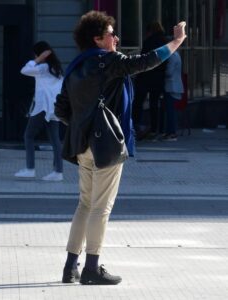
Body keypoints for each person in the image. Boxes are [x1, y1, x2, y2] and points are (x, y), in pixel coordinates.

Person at [55, 11, 186, 285]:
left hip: (83, 145)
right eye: (111, 33)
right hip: (106, 145)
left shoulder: (75, 66)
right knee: (101, 207)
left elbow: (62, 110)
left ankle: (70, 267)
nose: (116, 38)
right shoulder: (106, 62)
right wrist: (175, 42)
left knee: (85, 204)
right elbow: (145, 62)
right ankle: (91, 266)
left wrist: (85, 125)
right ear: (98, 39)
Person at [14, 41, 64, 181]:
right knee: (55, 139)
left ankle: (30, 169)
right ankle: (58, 172)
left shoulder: (42, 67)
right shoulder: (56, 69)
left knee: (28, 136)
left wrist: (38, 59)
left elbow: (24, 70)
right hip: (55, 108)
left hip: (43, 106)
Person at [132, 21, 169, 140]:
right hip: (158, 77)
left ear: (149, 31)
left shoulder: (149, 41)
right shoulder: (164, 41)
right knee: (155, 103)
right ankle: (155, 129)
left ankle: (136, 126)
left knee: (138, 102)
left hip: (146, 76)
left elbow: (143, 60)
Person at [162, 51, 184, 141]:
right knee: (171, 111)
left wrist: (162, 72)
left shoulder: (172, 56)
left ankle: (171, 133)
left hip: (171, 86)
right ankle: (170, 132)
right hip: (173, 86)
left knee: (170, 112)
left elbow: (169, 72)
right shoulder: (177, 54)